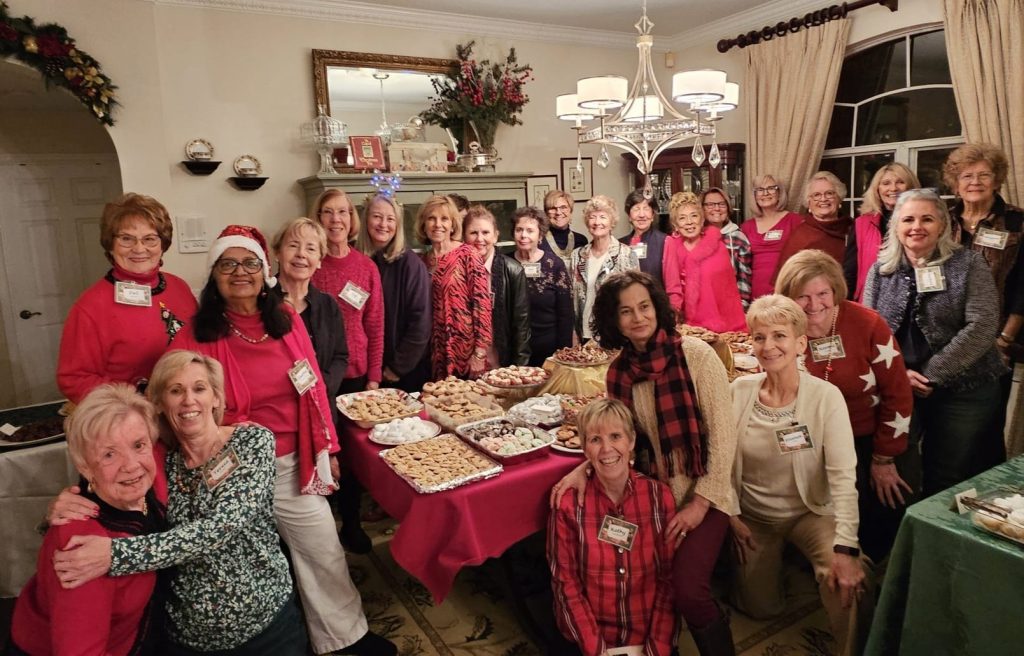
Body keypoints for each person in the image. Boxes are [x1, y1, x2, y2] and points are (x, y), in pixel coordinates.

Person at [171, 225, 396, 655]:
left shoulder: (286, 320)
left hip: (293, 461)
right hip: (230, 473)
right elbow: (174, 397)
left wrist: (329, 448)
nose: (241, 272)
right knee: (253, 567)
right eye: (228, 263)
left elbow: (313, 388)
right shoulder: (196, 335)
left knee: (323, 550)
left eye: (251, 262)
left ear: (265, 270)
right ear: (214, 274)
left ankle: (345, 638)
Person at [49, 356, 307, 655]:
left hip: (266, 630)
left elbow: (220, 527)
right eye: (175, 391)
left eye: (199, 388)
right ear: (159, 403)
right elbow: (111, 475)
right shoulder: (162, 462)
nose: (188, 400)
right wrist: (67, 502)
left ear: (216, 397)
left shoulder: (252, 441)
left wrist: (115, 555)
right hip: (185, 640)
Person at [552, 270, 738, 656]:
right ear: (613, 320)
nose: (638, 317)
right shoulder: (619, 371)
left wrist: (700, 504)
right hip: (653, 500)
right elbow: (618, 439)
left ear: (658, 308)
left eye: (644, 306)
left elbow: (724, 436)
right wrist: (582, 466)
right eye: (625, 311)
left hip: (706, 492)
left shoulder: (696, 356)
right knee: (644, 579)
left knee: (688, 590)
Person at [730, 295, 867, 656]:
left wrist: (847, 547)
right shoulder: (738, 392)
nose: (769, 346)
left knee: (847, 581)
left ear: (800, 343)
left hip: (812, 513)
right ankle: (783, 568)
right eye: (759, 337)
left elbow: (842, 477)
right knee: (762, 609)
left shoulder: (826, 397)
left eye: (779, 335)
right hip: (754, 517)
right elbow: (721, 462)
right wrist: (730, 513)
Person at [863, 189, 1007, 496]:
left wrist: (931, 373)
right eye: (909, 219)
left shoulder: (969, 264)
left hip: (965, 390)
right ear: (896, 227)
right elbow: (869, 332)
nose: (917, 226)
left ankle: (940, 538)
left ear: (942, 225)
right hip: (902, 386)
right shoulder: (881, 270)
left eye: (927, 219)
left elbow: (982, 325)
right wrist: (899, 373)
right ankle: (902, 538)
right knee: (901, 467)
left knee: (949, 475)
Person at [775, 250, 914, 561]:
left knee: (878, 516)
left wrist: (884, 458)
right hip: (813, 444)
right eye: (802, 297)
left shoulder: (867, 323)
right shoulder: (782, 329)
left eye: (822, 293)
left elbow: (899, 393)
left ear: (835, 290)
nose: (814, 305)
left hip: (869, 440)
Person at [11, 384, 166, 656]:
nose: (131, 464)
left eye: (139, 445)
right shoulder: (82, 546)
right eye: (109, 454)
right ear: (84, 466)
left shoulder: (143, 486)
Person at [548, 398, 678, 656]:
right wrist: (595, 649)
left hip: (646, 631)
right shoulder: (568, 505)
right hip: (590, 635)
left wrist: (656, 649)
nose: (607, 449)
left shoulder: (659, 498)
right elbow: (566, 583)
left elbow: (669, 579)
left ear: (631, 442)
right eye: (595, 440)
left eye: (616, 436)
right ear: (584, 449)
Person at [271, 217, 370, 554]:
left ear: (319, 258)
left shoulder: (327, 305)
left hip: (323, 404)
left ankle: (346, 526)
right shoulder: (262, 304)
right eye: (293, 245)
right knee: (291, 492)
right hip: (279, 414)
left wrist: (321, 387)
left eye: (311, 248)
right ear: (278, 252)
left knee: (337, 473)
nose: (301, 254)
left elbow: (341, 355)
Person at [57, 193, 197, 404]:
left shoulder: (179, 287)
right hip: (130, 418)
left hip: (186, 409)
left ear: (163, 244)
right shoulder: (91, 306)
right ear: (110, 245)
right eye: (126, 238)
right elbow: (73, 379)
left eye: (149, 239)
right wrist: (137, 395)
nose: (139, 249)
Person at [944, 144, 1024, 452]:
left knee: (986, 432)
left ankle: (987, 496)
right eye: (966, 175)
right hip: (945, 344)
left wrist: (1004, 340)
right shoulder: (942, 220)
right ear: (955, 182)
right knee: (946, 432)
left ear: (997, 179)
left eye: (983, 175)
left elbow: (1022, 289)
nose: (974, 182)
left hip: (993, 344)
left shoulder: (1016, 222)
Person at [356, 193, 432, 392]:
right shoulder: (355, 259)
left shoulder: (411, 265)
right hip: (361, 371)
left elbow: (420, 323)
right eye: (377, 217)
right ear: (365, 220)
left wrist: (396, 368)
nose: (383, 224)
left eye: (390, 219)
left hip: (400, 374)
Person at [310, 189, 385, 393]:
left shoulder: (367, 267)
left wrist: (374, 377)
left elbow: (375, 326)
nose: (336, 219)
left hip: (357, 373)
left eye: (342, 212)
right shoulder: (310, 266)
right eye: (328, 212)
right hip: (318, 374)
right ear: (318, 218)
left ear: (351, 218)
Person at [416, 195, 493, 379]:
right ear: (423, 224)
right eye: (431, 218)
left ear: (453, 224)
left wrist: (479, 353)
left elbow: (482, 305)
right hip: (434, 352)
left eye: (444, 219)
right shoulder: (421, 261)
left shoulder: (467, 254)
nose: (438, 224)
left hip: (466, 352)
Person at [662, 192, 746, 332]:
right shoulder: (670, 248)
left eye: (694, 216)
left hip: (721, 324)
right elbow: (671, 289)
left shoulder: (717, 246)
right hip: (685, 327)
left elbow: (728, 291)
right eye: (682, 218)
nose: (689, 222)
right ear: (675, 225)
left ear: (702, 220)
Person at [464, 204, 531, 367]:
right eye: (473, 233)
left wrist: (519, 370)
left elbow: (522, 327)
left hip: (500, 363)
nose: (480, 239)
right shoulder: (458, 272)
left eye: (485, 232)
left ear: (495, 236)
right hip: (466, 364)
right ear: (464, 237)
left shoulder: (513, 270)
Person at [843, 163, 920, 301]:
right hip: (870, 301)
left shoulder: (921, 222)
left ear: (910, 187)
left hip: (911, 300)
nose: (893, 188)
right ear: (877, 189)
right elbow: (850, 271)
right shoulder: (861, 223)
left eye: (900, 182)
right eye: (886, 183)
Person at [570, 194, 639, 341]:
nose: (597, 222)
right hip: (583, 332)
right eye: (592, 217)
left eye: (602, 217)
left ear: (612, 221)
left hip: (614, 332)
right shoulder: (577, 255)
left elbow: (635, 297)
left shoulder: (626, 254)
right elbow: (571, 298)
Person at [511, 206, 573, 365]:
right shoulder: (504, 263)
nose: (523, 235)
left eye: (530, 230)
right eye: (519, 229)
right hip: (513, 348)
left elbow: (566, 313)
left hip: (549, 348)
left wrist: (563, 352)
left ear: (540, 235)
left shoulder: (554, 265)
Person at [773, 171, 853, 282]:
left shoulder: (853, 228)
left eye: (829, 193)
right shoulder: (800, 236)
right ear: (809, 203)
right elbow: (785, 280)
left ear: (839, 198)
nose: (823, 199)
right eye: (816, 195)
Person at [741, 175, 802, 299]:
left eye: (771, 188)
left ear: (779, 193)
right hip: (755, 291)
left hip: (787, 288)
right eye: (760, 190)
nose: (765, 193)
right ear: (755, 196)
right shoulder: (746, 227)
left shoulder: (795, 221)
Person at [702, 187, 752, 309]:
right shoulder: (696, 237)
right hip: (703, 305)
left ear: (728, 207)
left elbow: (744, 276)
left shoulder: (738, 237)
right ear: (702, 209)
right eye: (710, 205)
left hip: (731, 305)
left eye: (721, 204)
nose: (717, 208)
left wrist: (742, 305)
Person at [619, 189, 667, 287]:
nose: (641, 215)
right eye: (636, 209)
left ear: (653, 215)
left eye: (646, 208)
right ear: (629, 216)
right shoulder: (620, 244)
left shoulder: (665, 241)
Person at [541, 189, 588, 270]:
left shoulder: (581, 240)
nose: (558, 212)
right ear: (546, 213)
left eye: (563, 207)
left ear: (571, 210)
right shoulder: (539, 241)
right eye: (552, 208)